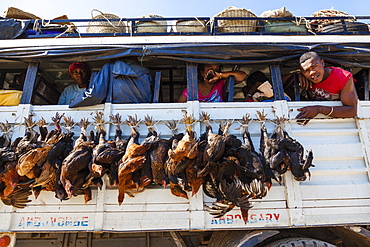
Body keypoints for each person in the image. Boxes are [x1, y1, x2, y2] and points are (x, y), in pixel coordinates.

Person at [295, 51, 358, 125]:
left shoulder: (342, 77)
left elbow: (352, 111)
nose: (311, 72)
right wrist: (296, 76)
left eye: (314, 66)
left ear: (322, 63)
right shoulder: (304, 78)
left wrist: (320, 109)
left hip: (342, 124)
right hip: (314, 125)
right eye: (306, 70)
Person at [176, 64, 247, 102]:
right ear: (202, 73)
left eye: (216, 70)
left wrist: (220, 75)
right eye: (210, 70)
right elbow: (178, 107)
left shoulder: (221, 84)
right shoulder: (192, 89)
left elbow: (242, 76)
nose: (213, 73)